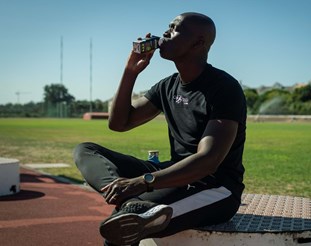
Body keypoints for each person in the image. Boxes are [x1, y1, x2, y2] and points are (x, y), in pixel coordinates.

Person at [74, 12, 247, 246]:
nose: (165, 33)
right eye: (167, 27)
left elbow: (209, 160)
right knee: (86, 150)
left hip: (215, 187)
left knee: (124, 225)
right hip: (173, 175)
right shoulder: (168, 85)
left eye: (174, 29)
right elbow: (119, 124)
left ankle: (134, 207)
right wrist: (130, 71)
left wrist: (143, 181)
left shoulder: (224, 88)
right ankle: (129, 200)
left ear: (198, 43)